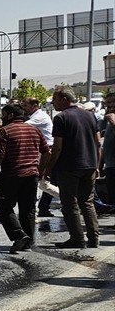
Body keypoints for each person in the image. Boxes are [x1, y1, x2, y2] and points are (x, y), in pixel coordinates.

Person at [41, 88, 100, 248]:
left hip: (70, 167)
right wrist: (97, 164)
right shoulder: (90, 115)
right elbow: (97, 142)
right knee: (87, 202)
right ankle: (94, 239)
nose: (53, 102)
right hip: (89, 165)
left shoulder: (61, 118)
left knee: (70, 203)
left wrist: (48, 168)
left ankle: (77, 238)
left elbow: (57, 147)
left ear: (64, 99)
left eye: (55, 99)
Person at [0, 103, 48, 254]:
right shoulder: (34, 130)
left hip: (11, 176)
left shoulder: (5, 131)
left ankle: (19, 235)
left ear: (11, 115)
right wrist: (40, 171)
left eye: (3, 114)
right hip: (31, 175)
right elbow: (46, 152)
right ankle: (28, 241)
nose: (2, 117)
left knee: (3, 207)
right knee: (28, 209)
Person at [101, 93, 115, 211]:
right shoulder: (109, 119)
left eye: (112, 102)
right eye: (107, 104)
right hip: (110, 164)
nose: (109, 106)